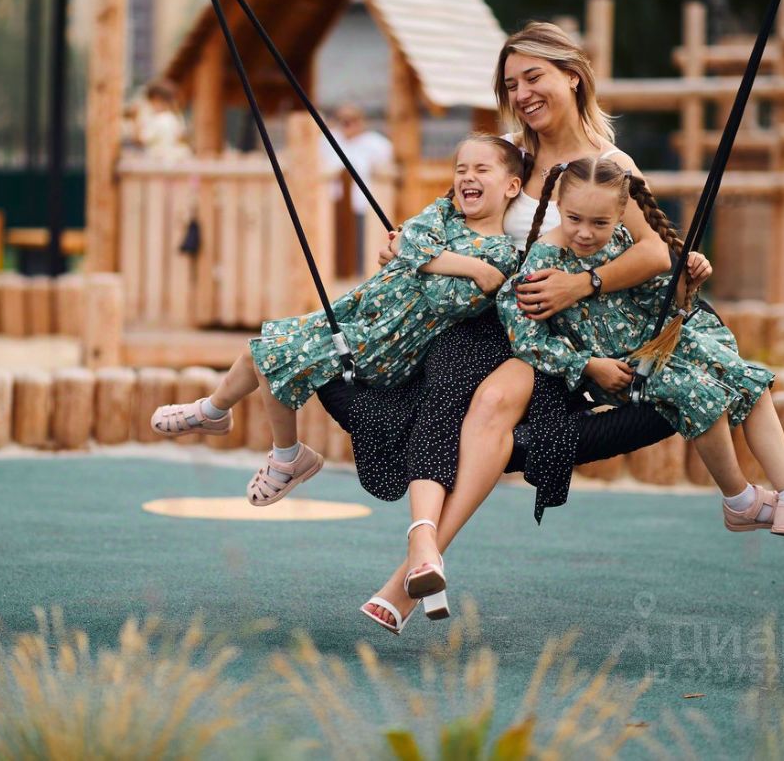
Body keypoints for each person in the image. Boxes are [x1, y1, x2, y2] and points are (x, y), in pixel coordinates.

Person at [321, 22, 713, 634]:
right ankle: (420, 559)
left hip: (551, 333)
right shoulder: (507, 154)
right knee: (433, 389)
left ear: (572, 77)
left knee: (492, 403)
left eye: (534, 77)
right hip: (482, 322)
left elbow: (656, 251)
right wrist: (409, 244)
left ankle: (412, 570)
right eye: (511, 84)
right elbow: (453, 214)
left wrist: (582, 285)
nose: (522, 93)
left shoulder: (608, 165)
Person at [150, 137, 529, 606]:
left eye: (482, 170)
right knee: (259, 350)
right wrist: (459, 264)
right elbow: (406, 239)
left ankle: (285, 455)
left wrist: (417, 256)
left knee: (273, 358)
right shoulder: (450, 218)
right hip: (354, 313)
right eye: (461, 168)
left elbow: (444, 296)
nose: (467, 177)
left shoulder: (502, 256)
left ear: (512, 186)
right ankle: (216, 412)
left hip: (380, 345)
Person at [502, 156, 784, 542]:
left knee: (748, 379)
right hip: (622, 369)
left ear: (620, 214)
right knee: (699, 393)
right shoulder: (541, 264)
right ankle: (740, 500)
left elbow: (652, 301)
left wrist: (684, 283)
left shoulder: (621, 241)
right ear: (558, 205)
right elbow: (528, 341)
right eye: (575, 219)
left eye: (600, 223)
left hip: (659, 345)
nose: (585, 233)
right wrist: (588, 365)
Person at [320, 104, 394, 272]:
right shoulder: (328, 141)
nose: (347, 125)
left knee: (361, 247)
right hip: (333, 204)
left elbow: (387, 165)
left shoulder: (375, 143)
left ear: (361, 122)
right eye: (343, 121)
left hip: (361, 205)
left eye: (352, 120)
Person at [131, 80, 192, 160]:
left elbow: (141, 139)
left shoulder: (160, 119)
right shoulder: (174, 117)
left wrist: (136, 119)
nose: (151, 105)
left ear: (158, 100)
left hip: (158, 160)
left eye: (151, 102)